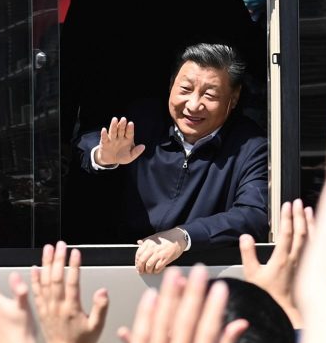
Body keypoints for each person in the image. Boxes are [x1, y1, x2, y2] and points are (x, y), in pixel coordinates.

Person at [78, 44, 268, 273]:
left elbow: (253, 214)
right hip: (122, 269)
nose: (193, 105)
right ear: (170, 86)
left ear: (234, 99)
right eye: (185, 89)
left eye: (210, 95)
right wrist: (103, 156)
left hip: (199, 276)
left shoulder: (251, 146)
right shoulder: (143, 119)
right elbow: (88, 140)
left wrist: (184, 236)